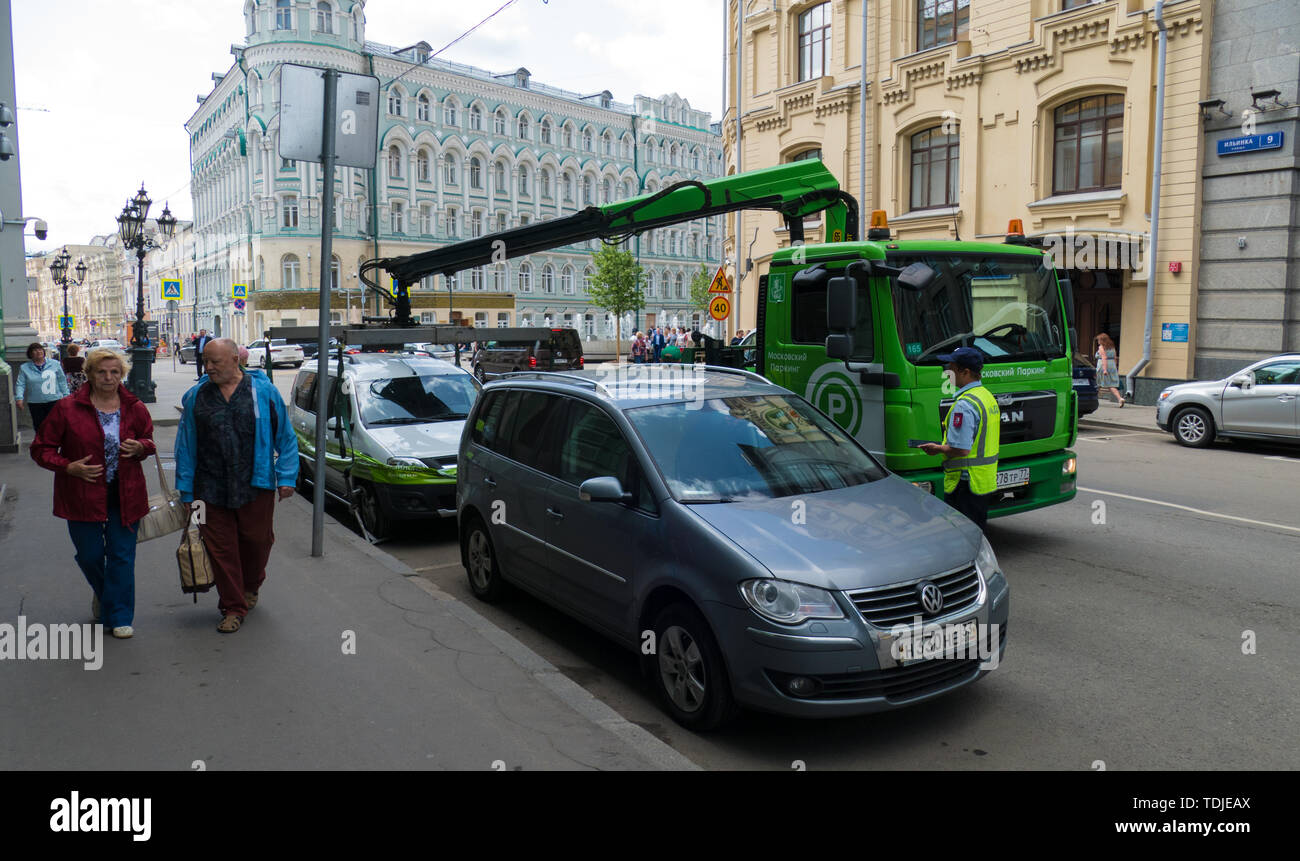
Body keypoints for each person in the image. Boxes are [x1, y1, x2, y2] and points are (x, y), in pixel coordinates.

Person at [31, 346, 156, 639]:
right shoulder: (67, 408)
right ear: (89, 374)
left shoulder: (135, 407)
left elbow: (148, 440)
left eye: (115, 372)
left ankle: (120, 617)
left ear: (122, 375)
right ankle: (107, 596)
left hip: (125, 493)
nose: (109, 377)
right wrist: (68, 466)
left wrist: (141, 448)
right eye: (102, 371)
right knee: (89, 555)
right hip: (81, 493)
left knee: (122, 557)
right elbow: (41, 449)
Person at [175, 338, 299, 634]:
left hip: (255, 483)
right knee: (220, 549)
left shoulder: (263, 391)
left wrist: (286, 477)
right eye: (205, 361)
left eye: (215, 362)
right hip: (208, 488)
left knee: (258, 541)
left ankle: (251, 584)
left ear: (235, 359)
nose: (208, 367)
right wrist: (186, 491)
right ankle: (232, 606)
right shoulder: (196, 396)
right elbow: (185, 445)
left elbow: (285, 436)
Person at [919, 347, 1000, 532]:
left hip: (964, 483)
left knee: (962, 536)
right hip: (983, 480)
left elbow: (961, 449)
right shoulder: (986, 397)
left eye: (951, 368)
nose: (947, 372)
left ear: (965, 372)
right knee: (976, 532)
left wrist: (936, 448)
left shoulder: (964, 405)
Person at [15, 342, 70, 437]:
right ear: (30, 354)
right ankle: (42, 447)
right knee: (40, 427)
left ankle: (55, 446)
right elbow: (20, 384)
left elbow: (62, 381)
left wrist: (66, 396)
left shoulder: (55, 364)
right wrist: (19, 398)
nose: (38, 352)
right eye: (35, 350)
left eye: (40, 349)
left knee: (55, 426)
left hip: (54, 400)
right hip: (36, 402)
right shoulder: (24, 368)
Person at [1094, 332, 1125, 407]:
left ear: (1102, 340)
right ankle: (1120, 398)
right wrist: (1115, 367)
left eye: (1098, 340)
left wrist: (1105, 369)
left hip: (1103, 366)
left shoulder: (1101, 347)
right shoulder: (1112, 347)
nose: (1098, 342)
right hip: (1112, 366)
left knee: (1098, 383)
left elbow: (1104, 357)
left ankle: (1094, 399)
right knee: (1111, 384)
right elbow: (1115, 357)